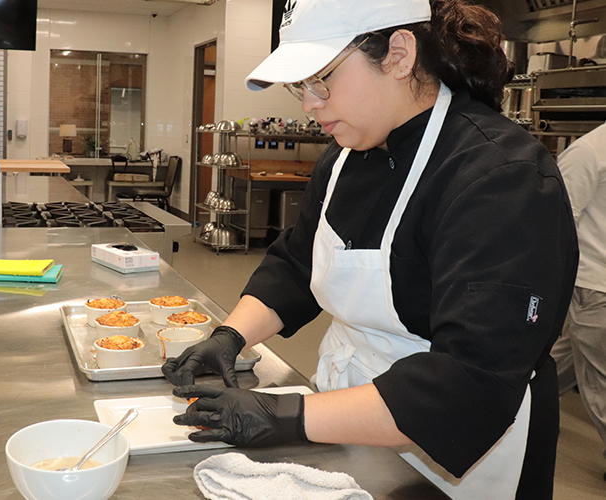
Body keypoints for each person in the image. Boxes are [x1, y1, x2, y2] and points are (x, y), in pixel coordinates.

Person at [161, 1, 578, 499]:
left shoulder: (501, 176)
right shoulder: (343, 158)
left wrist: (287, 414)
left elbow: (470, 378)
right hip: (346, 419)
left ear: (399, 55)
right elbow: (299, 262)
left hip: (459, 448)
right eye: (301, 87)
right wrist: (232, 335)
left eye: (322, 80)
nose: (309, 104)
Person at [549, 120, 606, 480]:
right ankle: (510, 414)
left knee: (599, 383)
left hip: (593, 288)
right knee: (555, 361)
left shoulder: (589, 151)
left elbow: (553, 224)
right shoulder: (589, 153)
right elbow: (558, 221)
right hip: (589, 285)